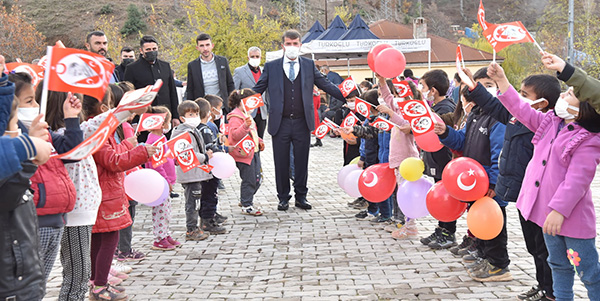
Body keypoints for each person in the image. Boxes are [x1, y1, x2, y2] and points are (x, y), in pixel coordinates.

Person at [491, 55, 600, 300]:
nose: (562, 96)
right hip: (546, 216)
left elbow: (577, 181)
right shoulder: (552, 122)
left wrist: (559, 210)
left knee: (588, 271)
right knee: (557, 265)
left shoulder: (589, 140)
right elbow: (521, 109)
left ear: (584, 106)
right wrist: (502, 82)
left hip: (570, 220)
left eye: (570, 94)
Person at [252, 29, 345, 211]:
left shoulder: (309, 65)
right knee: (281, 162)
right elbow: (258, 88)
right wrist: (240, 103)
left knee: (302, 161)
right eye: (289, 44)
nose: (292, 47)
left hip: (303, 121)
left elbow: (326, 84)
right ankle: (283, 197)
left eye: (295, 44)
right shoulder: (272, 67)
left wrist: (348, 97)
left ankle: (301, 196)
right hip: (281, 122)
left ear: (300, 45)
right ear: (283, 46)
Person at [434, 67, 508, 282]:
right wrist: (445, 132)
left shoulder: (499, 118)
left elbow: (500, 155)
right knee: (479, 224)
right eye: (479, 84)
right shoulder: (475, 113)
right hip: (473, 183)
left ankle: (499, 266)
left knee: (494, 226)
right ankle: (485, 257)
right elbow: (461, 142)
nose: (483, 90)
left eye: (489, 85)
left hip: (490, 185)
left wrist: (494, 183)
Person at [84, 90, 156, 301]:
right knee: (109, 240)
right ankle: (99, 285)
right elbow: (113, 161)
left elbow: (111, 155)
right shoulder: (97, 130)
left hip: (106, 192)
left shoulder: (100, 130)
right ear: (102, 108)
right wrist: (142, 152)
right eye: (108, 104)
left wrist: (127, 145)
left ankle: (97, 282)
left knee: (100, 239)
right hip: (106, 195)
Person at [0, 69, 50, 301]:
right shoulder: (16, 151)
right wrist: (28, 152)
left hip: (23, 276)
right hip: (12, 283)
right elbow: (7, 195)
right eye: (29, 101)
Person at [173, 100, 225, 238]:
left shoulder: (193, 130)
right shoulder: (181, 133)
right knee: (192, 203)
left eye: (196, 113)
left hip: (197, 173)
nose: (194, 116)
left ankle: (196, 227)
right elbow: (186, 153)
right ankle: (191, 229)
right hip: (190, 173)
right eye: (190, 114)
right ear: (182, 118)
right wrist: (205, 157)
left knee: (196, 201)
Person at [417, 69, 457, 249]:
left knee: (448, 197)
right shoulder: (434, 107)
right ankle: (441, 228)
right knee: (440, 196)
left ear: (433, 90)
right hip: (434, 159)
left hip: (444, 159)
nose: (421, 89)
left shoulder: (446, 108)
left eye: (423, 86)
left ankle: (449, 232)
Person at [145, 106, 180, 250]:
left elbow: (167, 157)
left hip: (166, 181)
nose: (169, 125)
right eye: (168, 121)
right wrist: (166, 180)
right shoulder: (154, 140)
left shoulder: (162, 138)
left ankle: (165, 234)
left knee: (166, 211)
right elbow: (157, 164)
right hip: (160, 182)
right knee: (160, 211)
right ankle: (159, 238)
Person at [124, 35, 180, 122]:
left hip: (165, 115)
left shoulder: (165, 66)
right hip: (144, 116)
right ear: (141, 51)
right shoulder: (132, 68)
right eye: (148, 50)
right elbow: (129, 95)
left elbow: (172, 91)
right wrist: (134, 120)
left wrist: (175, 116)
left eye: (154, 49)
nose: (152, 52)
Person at [227, 89, 265, 215]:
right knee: (250, 179)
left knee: (258, 178)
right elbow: (234, 135)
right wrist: (245, 126)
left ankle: (245, 199)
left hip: (253, 151)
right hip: (243, 154)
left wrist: (259, 140)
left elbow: (252, 132)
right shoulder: (235, 117)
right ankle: (247, 204)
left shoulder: (247, 116)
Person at [186, 33, 235, 112]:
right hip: (203, 110)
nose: (205, 48)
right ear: (197, 48)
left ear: (212, 45)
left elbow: (230, 84)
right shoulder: (193, 66)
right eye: (202, 46)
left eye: (207, 45)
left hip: (222, 108)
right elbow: (190, 89)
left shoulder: (222, 61)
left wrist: (233, 104)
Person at [233, 46, 269, 138]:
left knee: (259, 140)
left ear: (261, 57)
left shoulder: (265, 70)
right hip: (247, 112)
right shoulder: (239, 71)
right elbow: (234, 91)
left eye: (257, 56)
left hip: (262, 112)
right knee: (248, 139)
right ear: (248, 58)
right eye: (252, 56)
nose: (255, 58)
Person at [320, 65, 345, 131]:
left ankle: (327, 129)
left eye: (322, 71)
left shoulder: (330, 76)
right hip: (334, 103)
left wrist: (330, 108)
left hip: (336, 107)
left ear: (325, 70)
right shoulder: (335, 74)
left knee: (324, 114)